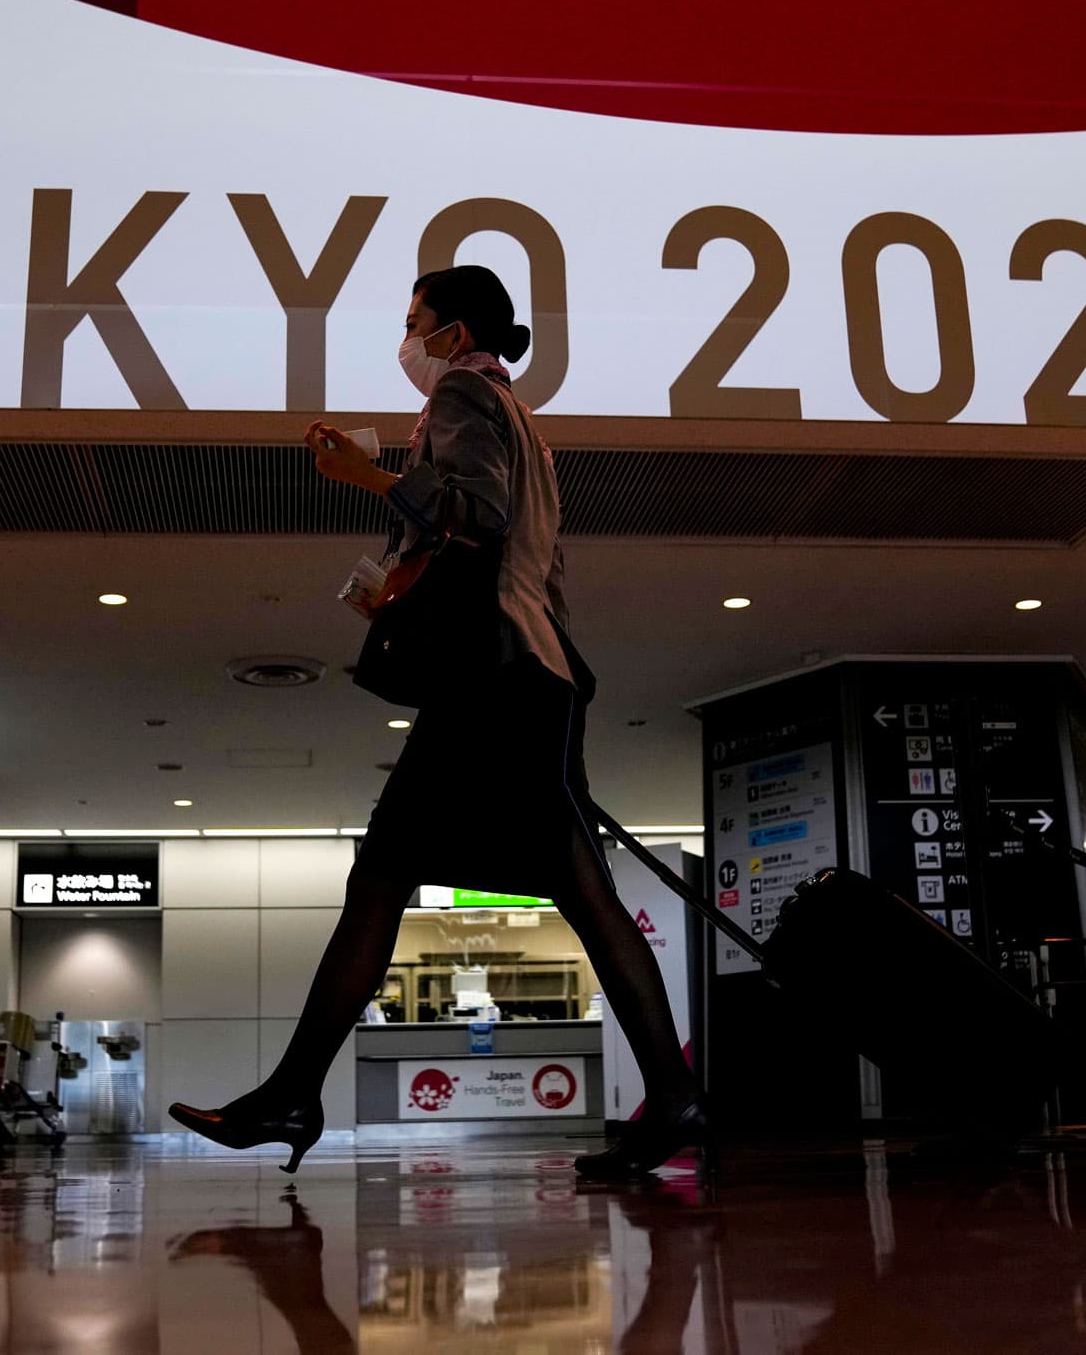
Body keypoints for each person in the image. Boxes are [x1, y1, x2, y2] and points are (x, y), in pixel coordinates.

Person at [166, 265, 704, 1177]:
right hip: (524, 676)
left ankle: (293, 1096)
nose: (406, 338)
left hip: (497, 682)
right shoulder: (514, 413)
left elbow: (479, 515)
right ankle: (671, 1094)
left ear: (454, 334)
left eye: (414, 322)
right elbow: (520, 552)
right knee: (508, 885)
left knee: (397, 878)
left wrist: (368, 476)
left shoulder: (460, 390)